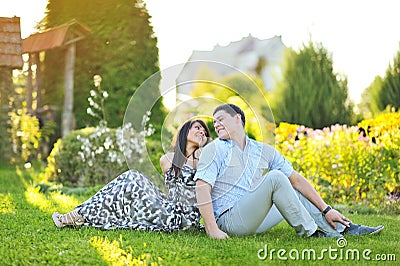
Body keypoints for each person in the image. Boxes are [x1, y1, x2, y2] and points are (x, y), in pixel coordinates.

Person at [195, 104, 384, 239]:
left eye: (220, 119)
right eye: (214, 122)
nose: (216, 124)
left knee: (289, 185)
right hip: (228, 221)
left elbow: (296, 180)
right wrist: (212, 229)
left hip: (253, 219)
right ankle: (310, 232)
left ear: (238, 119)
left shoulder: (263, 150)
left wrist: (326, 208)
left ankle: (343, 228)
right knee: (276, 178)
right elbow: (202, 187)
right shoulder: (214, 149)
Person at [52, 119, 211, 231]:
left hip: (182, 219)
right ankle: (80, 213)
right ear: (185, 131)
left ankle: (78, 214)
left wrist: (201, 151)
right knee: (133, 175)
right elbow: (175, 191)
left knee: (132, 180)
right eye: (197, 128)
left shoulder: (203, 157)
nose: (202, 132)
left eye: (204, 132)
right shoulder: (167, 160)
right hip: (170, 208)